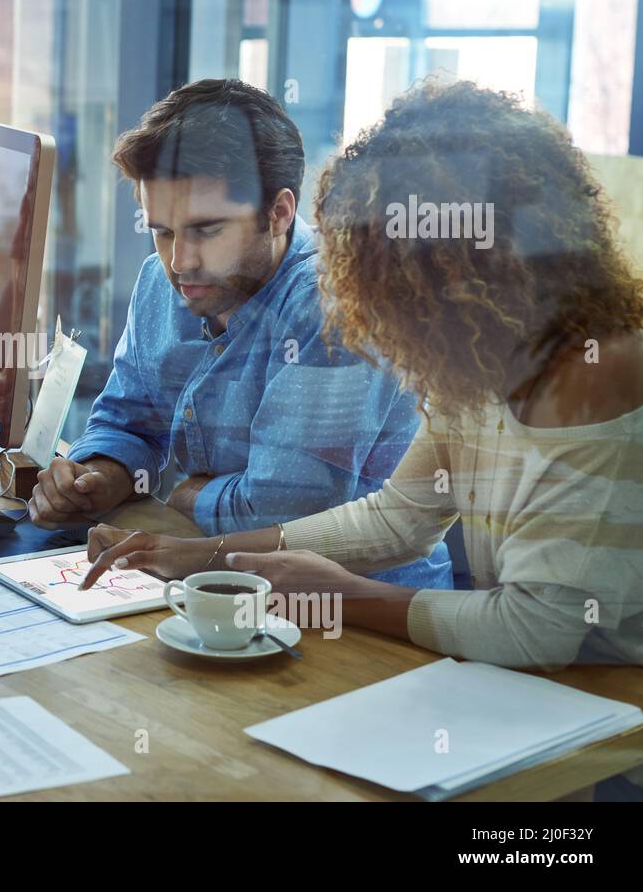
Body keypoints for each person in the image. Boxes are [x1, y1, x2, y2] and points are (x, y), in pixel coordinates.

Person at [82, 79, 643, 679]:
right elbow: (397, 519)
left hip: (611, 720)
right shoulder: (483, 363)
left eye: (394, 285)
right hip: (529, 686)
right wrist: (193, 556)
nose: (382, 315)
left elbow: (535, 630)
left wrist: (343, 595)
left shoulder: (600, 373)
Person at [30, 79, 451, 588]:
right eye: (162, 231)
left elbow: (284, 513)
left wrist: (184, 491)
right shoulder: (162, 284)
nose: (178, 262)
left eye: (207, 230)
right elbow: (128, 420)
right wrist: (98, 475)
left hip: (351, 611)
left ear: (279, 213)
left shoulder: (332, 305)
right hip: (206, 579)